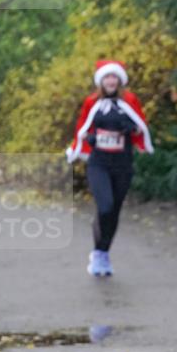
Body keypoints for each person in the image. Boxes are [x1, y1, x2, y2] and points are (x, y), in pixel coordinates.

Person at [67, 60, 153, 276]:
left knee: (114, 210)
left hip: (123, 163)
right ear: (101, 81)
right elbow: (82, 127)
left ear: (120, 80)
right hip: (99, 163)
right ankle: (98, 252)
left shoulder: (130, 100)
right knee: (105, 206)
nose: (111, 80)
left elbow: (141, 126)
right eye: (107, 77)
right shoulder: (92, 101)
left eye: (114, 77)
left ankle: (103, 253)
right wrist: (91, 139)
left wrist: (131, 129)